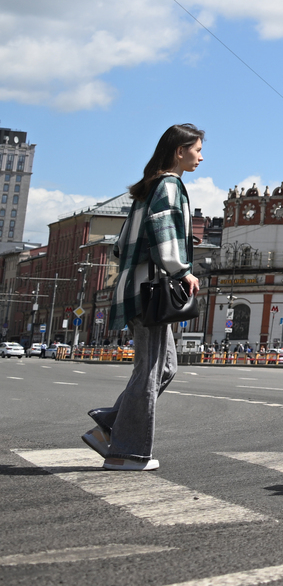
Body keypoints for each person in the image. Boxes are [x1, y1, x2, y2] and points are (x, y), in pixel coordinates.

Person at [84, 124, 205, 471]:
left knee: (165, 367)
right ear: (179, 150)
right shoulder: (169, 185)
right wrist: (181, 270)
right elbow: (163, 233)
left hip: (135, 290)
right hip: (150, 293)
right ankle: (126, 451)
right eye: (197, 149)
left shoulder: (147, 188)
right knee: (150, 370)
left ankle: (109, 426)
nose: (201, 156)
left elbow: (120, 249)